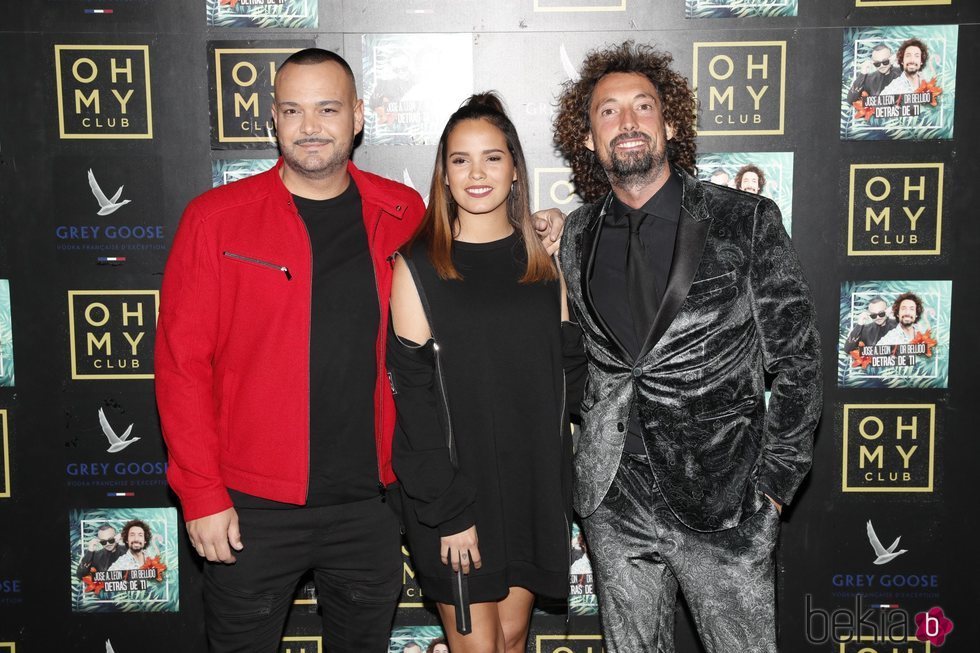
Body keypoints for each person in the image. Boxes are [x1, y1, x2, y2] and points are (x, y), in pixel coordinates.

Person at [155, 48, 565, 652]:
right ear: (272, 119)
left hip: (371, 509)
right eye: (292, 110)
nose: (310, 126)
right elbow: (181, 367)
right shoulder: (215, 220)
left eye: (327, 109)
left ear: (358, 116)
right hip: (251, 508)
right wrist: (201, 494)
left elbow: (477, 259)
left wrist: (541, 224)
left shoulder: (402, 212)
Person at [553, 41, 822, 652]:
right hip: (614, 499)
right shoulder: (576, 234)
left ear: (669, 123)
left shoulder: (743, 220)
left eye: (642, 106)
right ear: (588, 138)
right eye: (608, 111)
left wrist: (774, 484)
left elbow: (798, 360)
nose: (627, 122)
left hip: (725, 498)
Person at [387, 93, 585, 653]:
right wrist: (449, 511)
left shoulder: (544, 259)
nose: (477, 173)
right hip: (455, 493)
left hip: (532, 487)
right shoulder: (418, 265)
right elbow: (414, 404)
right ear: (444, 174)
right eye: (461, 160)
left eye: (492, 158)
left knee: (514, 637)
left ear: (515, 168)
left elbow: (572, 380)